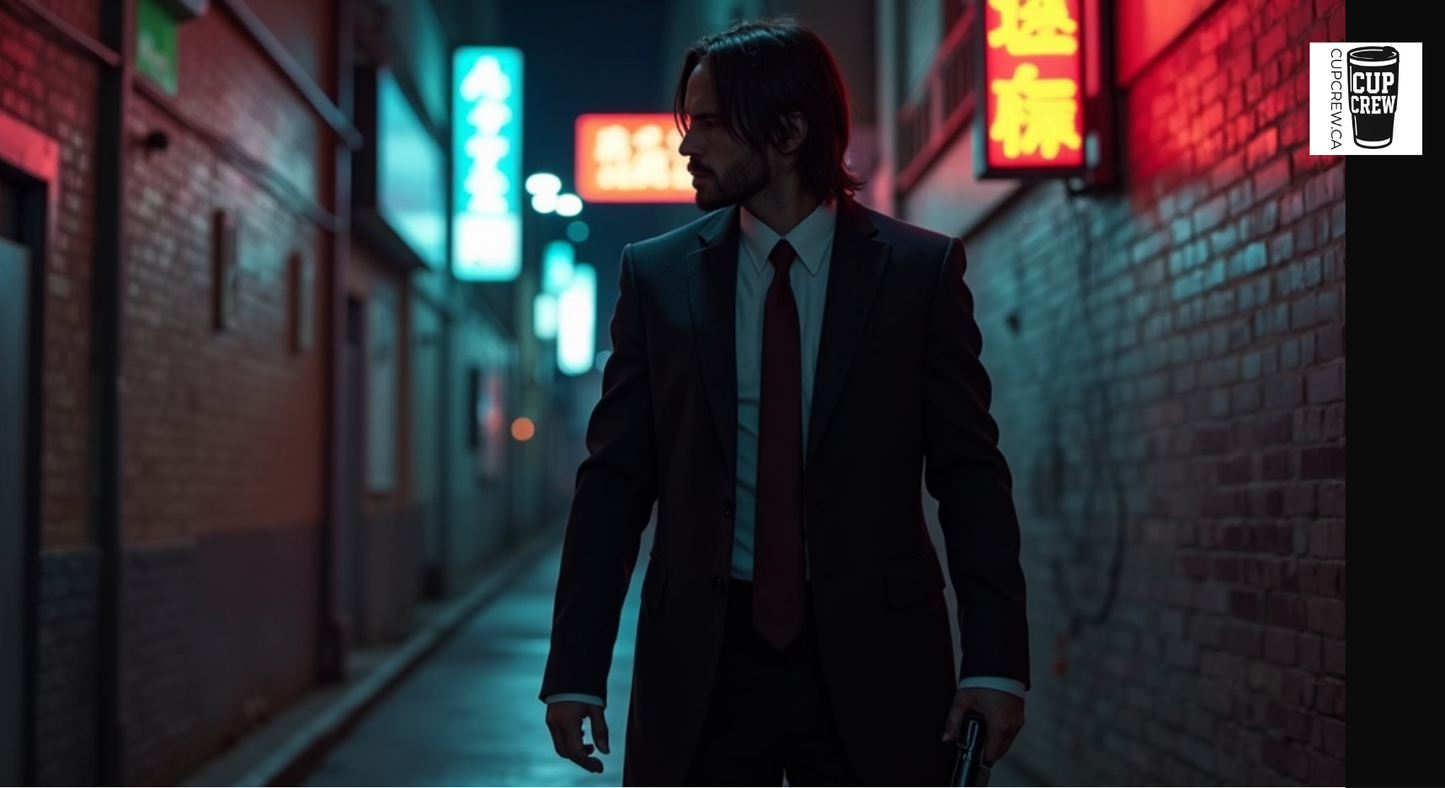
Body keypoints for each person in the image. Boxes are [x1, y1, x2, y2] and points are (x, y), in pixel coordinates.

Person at [541, 16, 1029, 786]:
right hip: (705, 660)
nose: (684, 146)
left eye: (705, 123)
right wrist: (575, 668)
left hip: (878, 660)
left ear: (789, 129)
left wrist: (996, 664)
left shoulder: (916, 273)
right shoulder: (658, 278)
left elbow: (970, 474)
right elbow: (613, 484)